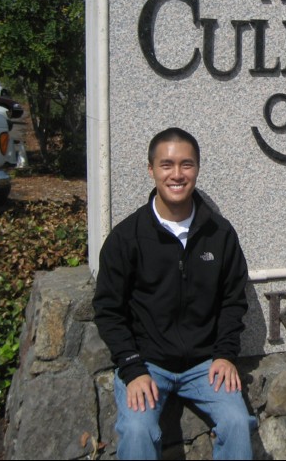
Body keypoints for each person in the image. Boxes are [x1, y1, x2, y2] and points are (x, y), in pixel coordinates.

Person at [93, 127, 254, 460]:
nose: (177, 174)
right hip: (147, 363)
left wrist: (225, 353)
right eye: (166, 165)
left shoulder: (219, 234)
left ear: (197, 168)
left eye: (186, 164)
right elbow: (109, 310)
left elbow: (233, 299)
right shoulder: (127, 238)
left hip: (204, 363)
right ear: (151, 170)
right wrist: (132, 368)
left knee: (237, 422)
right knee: (137, 430)